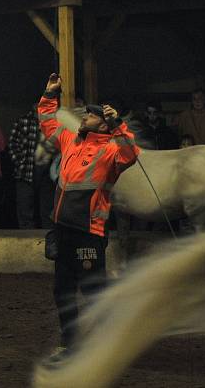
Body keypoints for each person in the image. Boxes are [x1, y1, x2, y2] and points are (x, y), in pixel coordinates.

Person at [38, 73, 140, 356]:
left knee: (94, 291)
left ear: (104, 123)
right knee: (63, 291)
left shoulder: (110, 151)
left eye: (91, 116)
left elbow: (131, 154)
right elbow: (47, 123)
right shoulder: (71, 140)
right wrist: (49, 95)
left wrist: (119, 124)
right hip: (63, 230)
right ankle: (69, 343)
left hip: (88, 232)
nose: (84, 117)